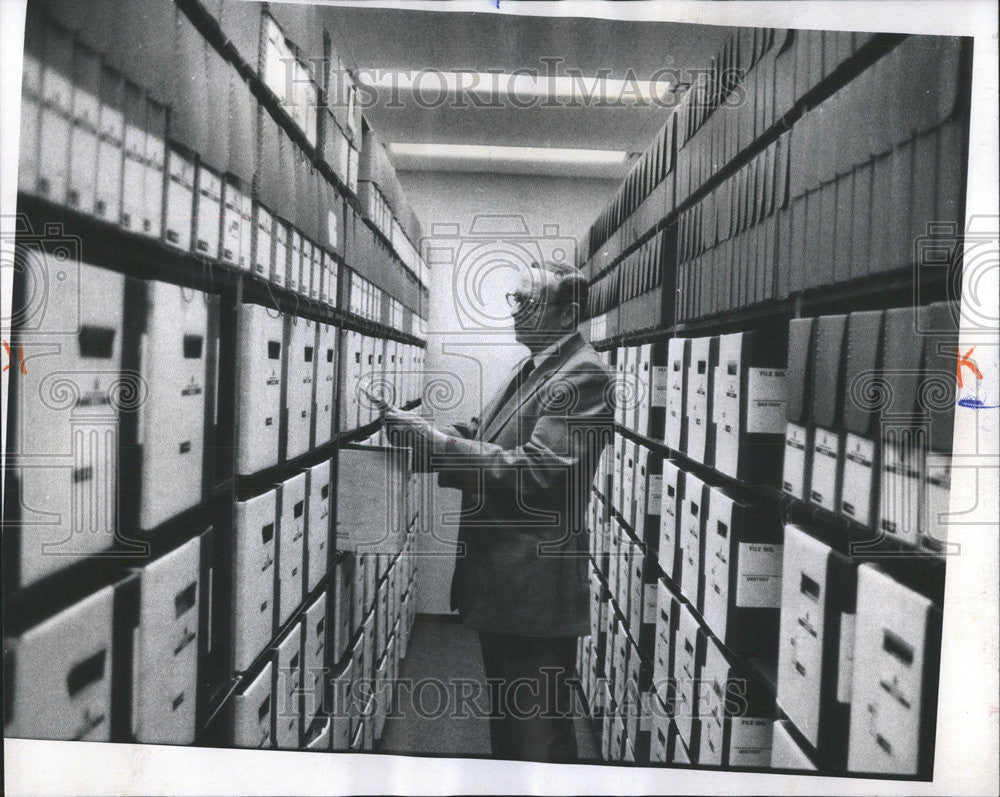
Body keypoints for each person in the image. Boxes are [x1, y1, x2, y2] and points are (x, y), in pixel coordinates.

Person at [382, 260, 614, 762]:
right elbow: (488, 437)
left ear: (567, 312)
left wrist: (440, 446)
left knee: (539, 742)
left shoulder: (584, 374)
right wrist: (426, 437)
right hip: (507, 587)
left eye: (528, 300)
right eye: (516, 298)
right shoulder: (535, 367)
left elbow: (537, 473)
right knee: (511, 736)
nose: (515, 310)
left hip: (533, 593)